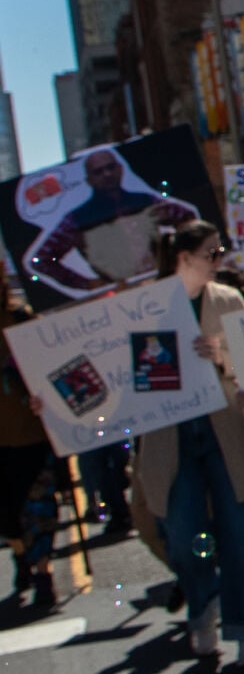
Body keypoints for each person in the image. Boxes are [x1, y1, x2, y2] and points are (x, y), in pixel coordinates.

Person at [131, 220, 244, 667]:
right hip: (169, 437)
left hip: (227, 430)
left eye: (220, 252)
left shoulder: (228, 300)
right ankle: (204, 603)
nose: (220, 261)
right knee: (183, 532)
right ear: (184, 258)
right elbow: (121, 376)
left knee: (243, 531)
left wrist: (224, 358)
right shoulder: (145, 305)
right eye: (212, 254)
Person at [28, 149, 199, 297]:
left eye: (110, 168)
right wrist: (88, 284)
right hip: (120, 299)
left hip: (163, 285)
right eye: (99, 171)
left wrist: (180, 259)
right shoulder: (76, 219)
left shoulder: (145, 201)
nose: (107, 174)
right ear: (90, 180)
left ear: (120, 170)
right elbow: (42, 259)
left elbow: (189, 219)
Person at [1, 286, 61, 610]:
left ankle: (43, 574)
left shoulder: (21, 320)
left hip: (31, 435)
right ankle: (21, 554)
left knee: (39, 507)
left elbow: (49, 367)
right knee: (8, 513)